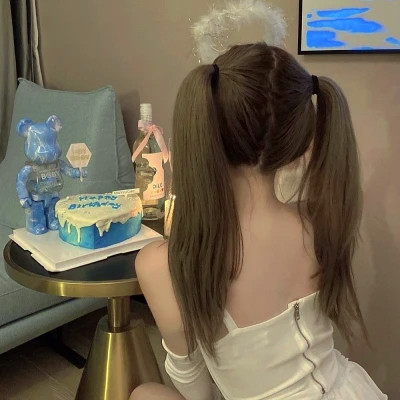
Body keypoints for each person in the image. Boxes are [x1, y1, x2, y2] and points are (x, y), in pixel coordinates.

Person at [130, 43, 387, 400]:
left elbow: (196, 391)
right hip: (351, 390)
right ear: (299, 142)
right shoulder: (322, 223)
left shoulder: (161, 264)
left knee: (144, 393)